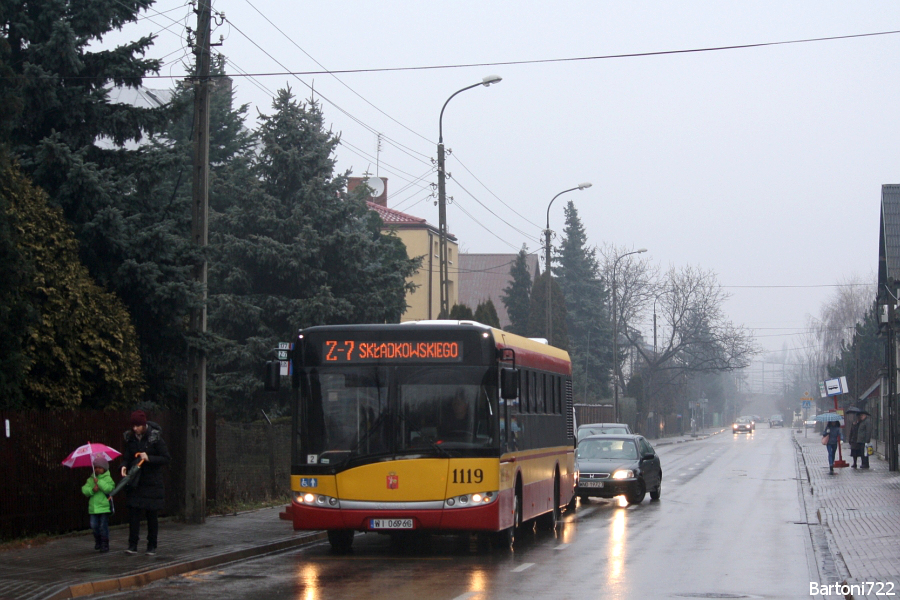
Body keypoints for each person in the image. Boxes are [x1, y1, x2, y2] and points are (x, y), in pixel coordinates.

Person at [121, 410, 171, 555]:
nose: (135, 429)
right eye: (133, 426)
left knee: (151, 516)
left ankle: (152, 545)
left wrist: (149, 458)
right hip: (136, 482)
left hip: (152, 483)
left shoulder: (155, 438)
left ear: (143, 425)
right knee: (133, 514)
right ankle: (132, 545)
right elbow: (127, 456)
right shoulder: (130, 439)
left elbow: (166, 458)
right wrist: (124, 466)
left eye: (137, 426)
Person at [81, 456, 114, 553]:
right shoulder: (91, 479)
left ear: (104, 468)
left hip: (104, 507)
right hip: (93, 508)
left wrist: (99, 482)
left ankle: (104, 544)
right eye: (95, 467)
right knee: (94, 526)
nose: (97, 469)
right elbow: (84, 490)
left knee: (103, 526)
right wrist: (92, 490)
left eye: (100, 467)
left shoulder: (108, 478)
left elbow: (109, 488)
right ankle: (98, 540)